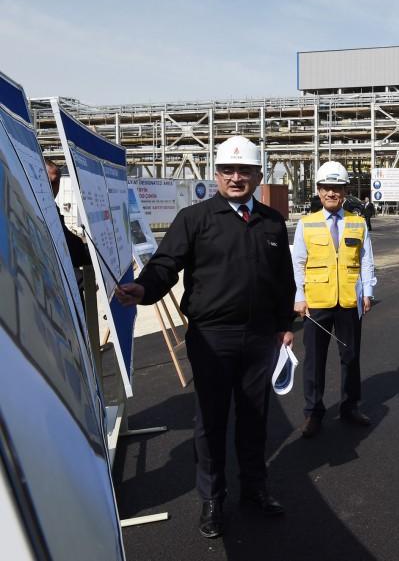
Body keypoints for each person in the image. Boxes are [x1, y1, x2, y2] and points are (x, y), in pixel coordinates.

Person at [115, 136, 294, 539]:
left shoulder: (271, 221)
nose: (236, 178)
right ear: (216, 175)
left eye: (244, 171)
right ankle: (212, 500)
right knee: (211, 421)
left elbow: (283, 279)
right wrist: (144, 290)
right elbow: (165, 264)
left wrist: (285, 325)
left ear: (257, 176)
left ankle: (255, 488)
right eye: (228, 171)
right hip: (212, 337)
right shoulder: (194, 219)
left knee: (254, 417)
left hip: (260, 338)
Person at [292, 160, 377, 436]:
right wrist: (299, 297)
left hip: (350, 301)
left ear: (345, 191)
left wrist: (368, 291)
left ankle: (350, 407)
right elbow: (298, 264)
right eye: (327, 188)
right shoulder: (306, 224)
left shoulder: (357, 222)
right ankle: (313, 413)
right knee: (314, 360)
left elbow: (366, 260)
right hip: (316, 303)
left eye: (337, 188)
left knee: (350, 357)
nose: (332, 193)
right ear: (318, 191)